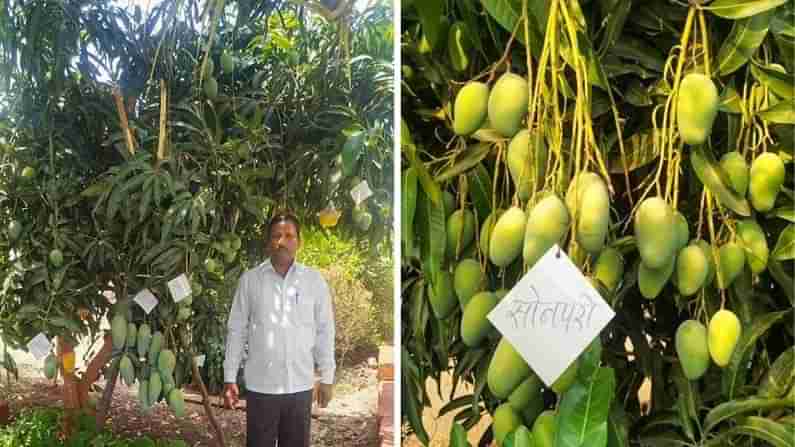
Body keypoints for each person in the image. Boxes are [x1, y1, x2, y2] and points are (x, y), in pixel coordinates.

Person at [223, 211, 335, 447]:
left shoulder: (314, 282)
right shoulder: (250, 281)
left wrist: (327, 376)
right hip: (261, 388)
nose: (282, 241)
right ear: (268, 243)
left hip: (300, 387)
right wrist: (229, 376)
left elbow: (325, 330)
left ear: (299, 242)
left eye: (289, 235)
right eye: (276, 236)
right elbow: (236, 330)